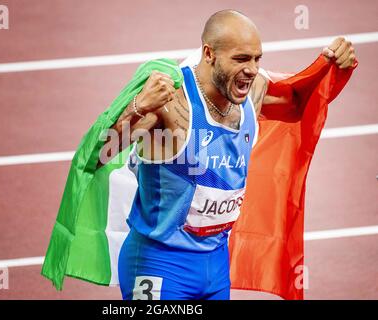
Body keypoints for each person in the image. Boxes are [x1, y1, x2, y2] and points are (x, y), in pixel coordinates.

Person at [101, 9, 357, 300]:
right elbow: (99, 153)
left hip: (216, 265)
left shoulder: (252, 93)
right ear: (209, 54)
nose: (252, 69)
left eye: (257, 58)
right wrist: (138, 105)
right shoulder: (171, 102)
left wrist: (332, 67)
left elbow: (299, 104)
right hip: (159, 263)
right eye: (241, 59)